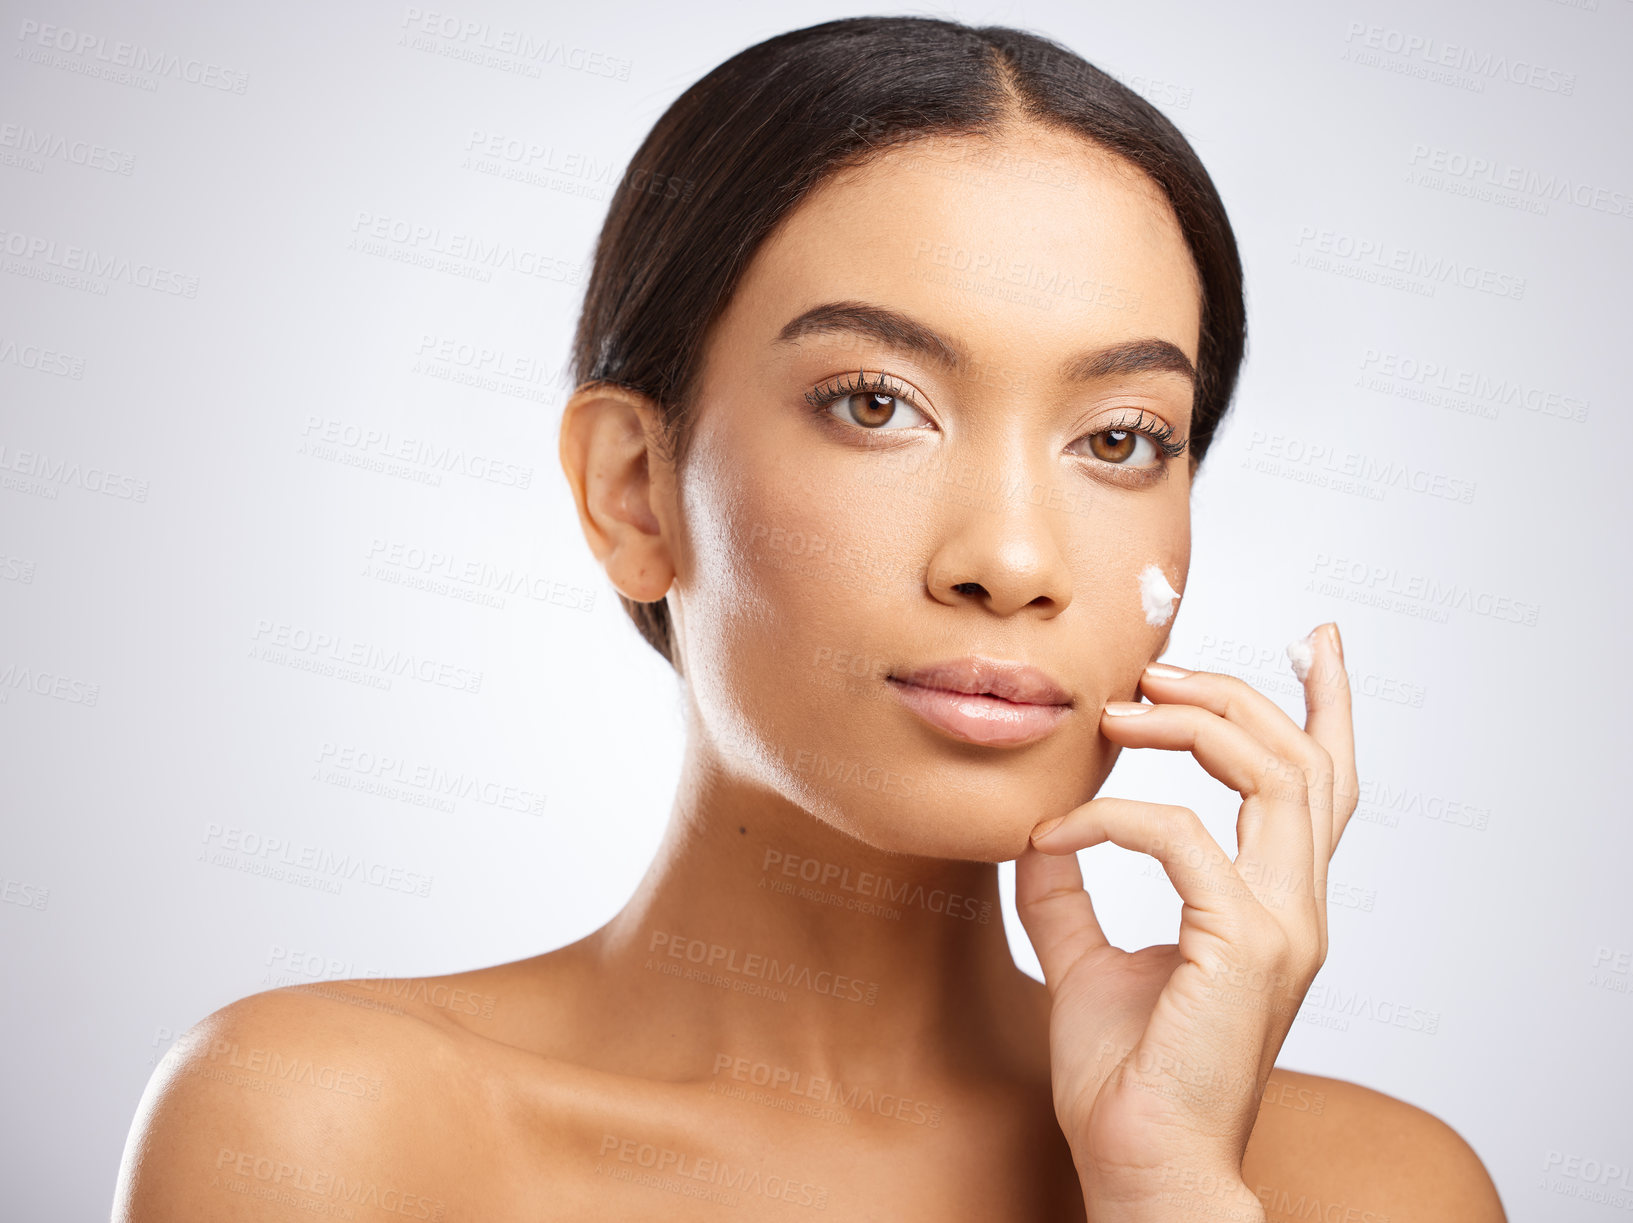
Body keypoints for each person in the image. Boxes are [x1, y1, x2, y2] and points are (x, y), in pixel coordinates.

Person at [114, 17, 1506, 1221]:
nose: (1011, 561)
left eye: (1122, 438)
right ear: (634, 493)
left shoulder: (1363, 1190)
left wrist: (1169, 1192)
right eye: (875, 404)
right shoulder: (321, 1132)